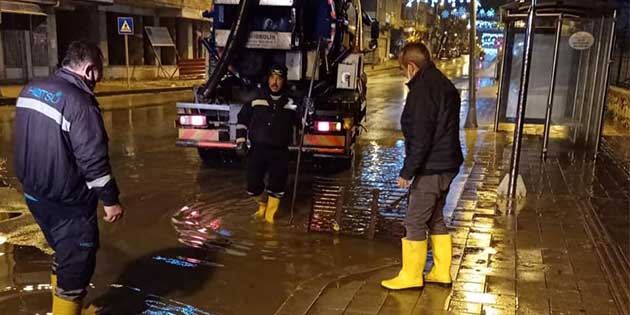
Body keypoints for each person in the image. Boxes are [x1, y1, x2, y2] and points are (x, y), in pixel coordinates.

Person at [14, 41, 123, 314]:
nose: (99, 80)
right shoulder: (80, 103)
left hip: (34, 195)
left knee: (63, 253)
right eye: (99, 73)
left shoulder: (30, 89)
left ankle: (68, 307)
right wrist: (110, 201)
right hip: (68, 204)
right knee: (77, 265)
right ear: (88, 70)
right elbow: (93, 159)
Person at [381, 42, 463, 290]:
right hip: (447, 164)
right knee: (435, 218)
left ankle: (412, 276)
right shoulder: (443, 83)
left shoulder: (422, 91)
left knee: (414, 221)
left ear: (411, 67)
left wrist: (408, 172)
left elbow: (421, 135)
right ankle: (441, 272)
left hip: (432, 167)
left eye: (401, 69)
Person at [236, 64, 298, 224]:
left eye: (279, 78)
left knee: (277, 185)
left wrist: (307, 115)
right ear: (268, 78)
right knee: (252, 184)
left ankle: (270, 218)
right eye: (272, 77)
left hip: (280, 151)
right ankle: (262, 205)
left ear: (284, 81)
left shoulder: (291, 102)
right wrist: (241, 140)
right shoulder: (256, 98)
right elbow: (242, 119)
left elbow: (301, 123)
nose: (275, 82)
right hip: (257, 150)